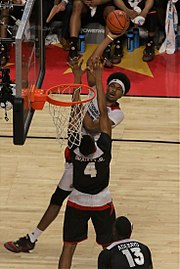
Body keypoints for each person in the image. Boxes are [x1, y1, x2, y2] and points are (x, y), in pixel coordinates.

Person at [4, 33, 131, 254]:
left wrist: (78, 98)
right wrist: (106, 39)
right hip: (77, 150)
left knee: (86, 198)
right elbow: (93, 65)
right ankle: (32, 238)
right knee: (61, 198)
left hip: (93, 156)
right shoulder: (94, 92)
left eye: (118, 89)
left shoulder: (116, 114)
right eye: (111, 85)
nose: (112, 89)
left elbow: (92, 126)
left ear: (122, 95)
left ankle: (114, 245)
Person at [58, 56, 116, 269]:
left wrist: (76, 77)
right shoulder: (104, 149)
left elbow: (75, 112)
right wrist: (99, 79)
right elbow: (103, 112)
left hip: (77, 201)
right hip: (102, 201)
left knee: (68, 247)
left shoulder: (73, 150)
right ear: (94, 143)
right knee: (110, 248)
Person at [104, 0, 158, 64]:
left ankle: (150, 43)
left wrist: (144, 13)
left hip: (142, 8)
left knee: (153, 12)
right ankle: (117, 45)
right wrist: (127, 11)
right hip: (126, 8)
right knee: (115, 12)